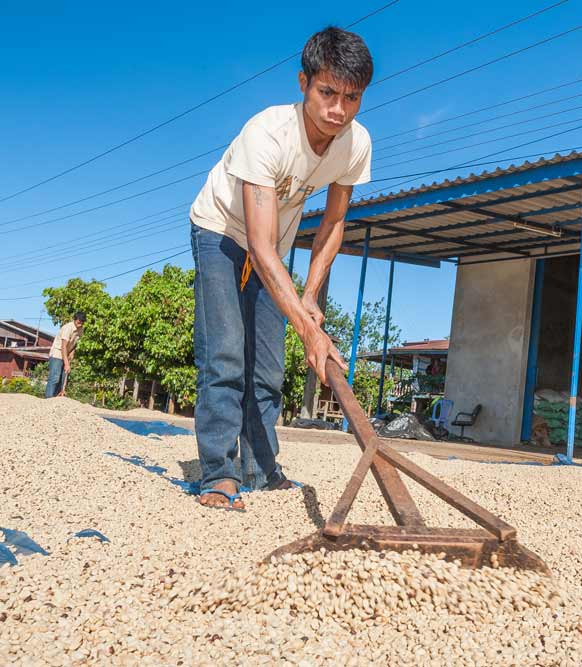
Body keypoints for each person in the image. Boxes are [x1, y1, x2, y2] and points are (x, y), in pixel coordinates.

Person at [188, 27, 373, 512]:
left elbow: (334, 222)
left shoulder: (355, 144)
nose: (338, 109)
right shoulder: (267, 133)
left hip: (274, 248)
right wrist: (309, 333)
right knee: (226, 356)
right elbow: (260, 246)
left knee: (268, 370)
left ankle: (262, 468)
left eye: (350, 97)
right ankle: (220, 474)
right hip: (221, 234)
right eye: (327, 92)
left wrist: (310, 297)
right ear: (303, 83)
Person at [45, 312, 85, 398]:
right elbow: (63, 346)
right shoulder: (68, 328)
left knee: (62, 380)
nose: (80, 325)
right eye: (78, 322)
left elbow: (76, 343)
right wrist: (66, 364)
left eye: (82, 323)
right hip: (58, 353)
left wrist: (72, 352)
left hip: (66, 354)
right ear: (74, 320)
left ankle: (56, 399)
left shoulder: (81, 329)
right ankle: (48, 399)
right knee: (55, 378)